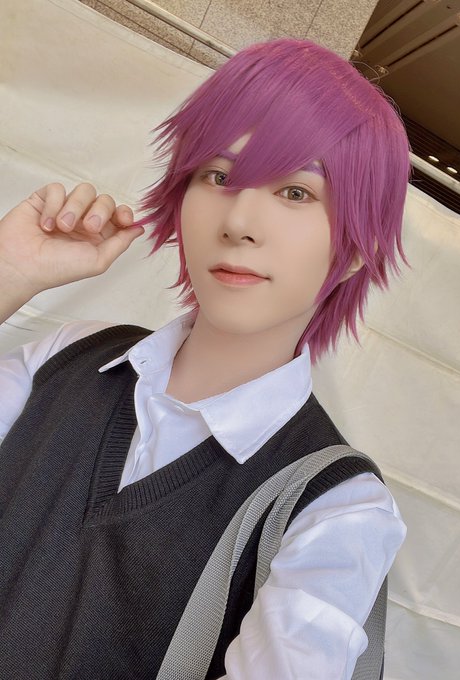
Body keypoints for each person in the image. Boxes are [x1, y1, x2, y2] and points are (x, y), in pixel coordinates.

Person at [0, 39, 409, 679]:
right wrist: (8, 274)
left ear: (358, 248)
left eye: (296, 192)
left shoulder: (334, 508)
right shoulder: (66, 356)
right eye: (218, 177)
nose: (239, 220)